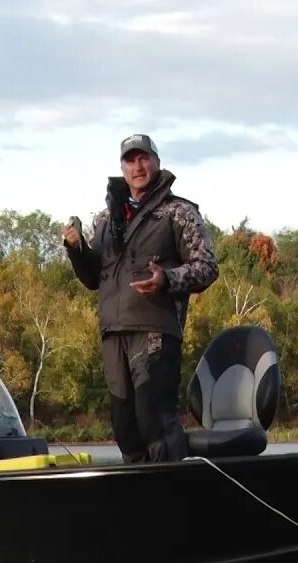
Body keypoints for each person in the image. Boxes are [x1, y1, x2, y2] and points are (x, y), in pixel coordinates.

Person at [62, 133, 219, 463]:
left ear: (157, 163)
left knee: (155, 420)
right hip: (114, 331)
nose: (138, 166)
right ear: (122, 167)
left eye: (144, 158)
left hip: (155, 329)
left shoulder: (179, 212)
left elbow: (207, 267)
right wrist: (76, 250)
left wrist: (167, 278)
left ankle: (173, 499)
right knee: (124, 426)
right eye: (131, 160)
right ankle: (138, 503)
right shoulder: (106, 222)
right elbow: (93, 277)